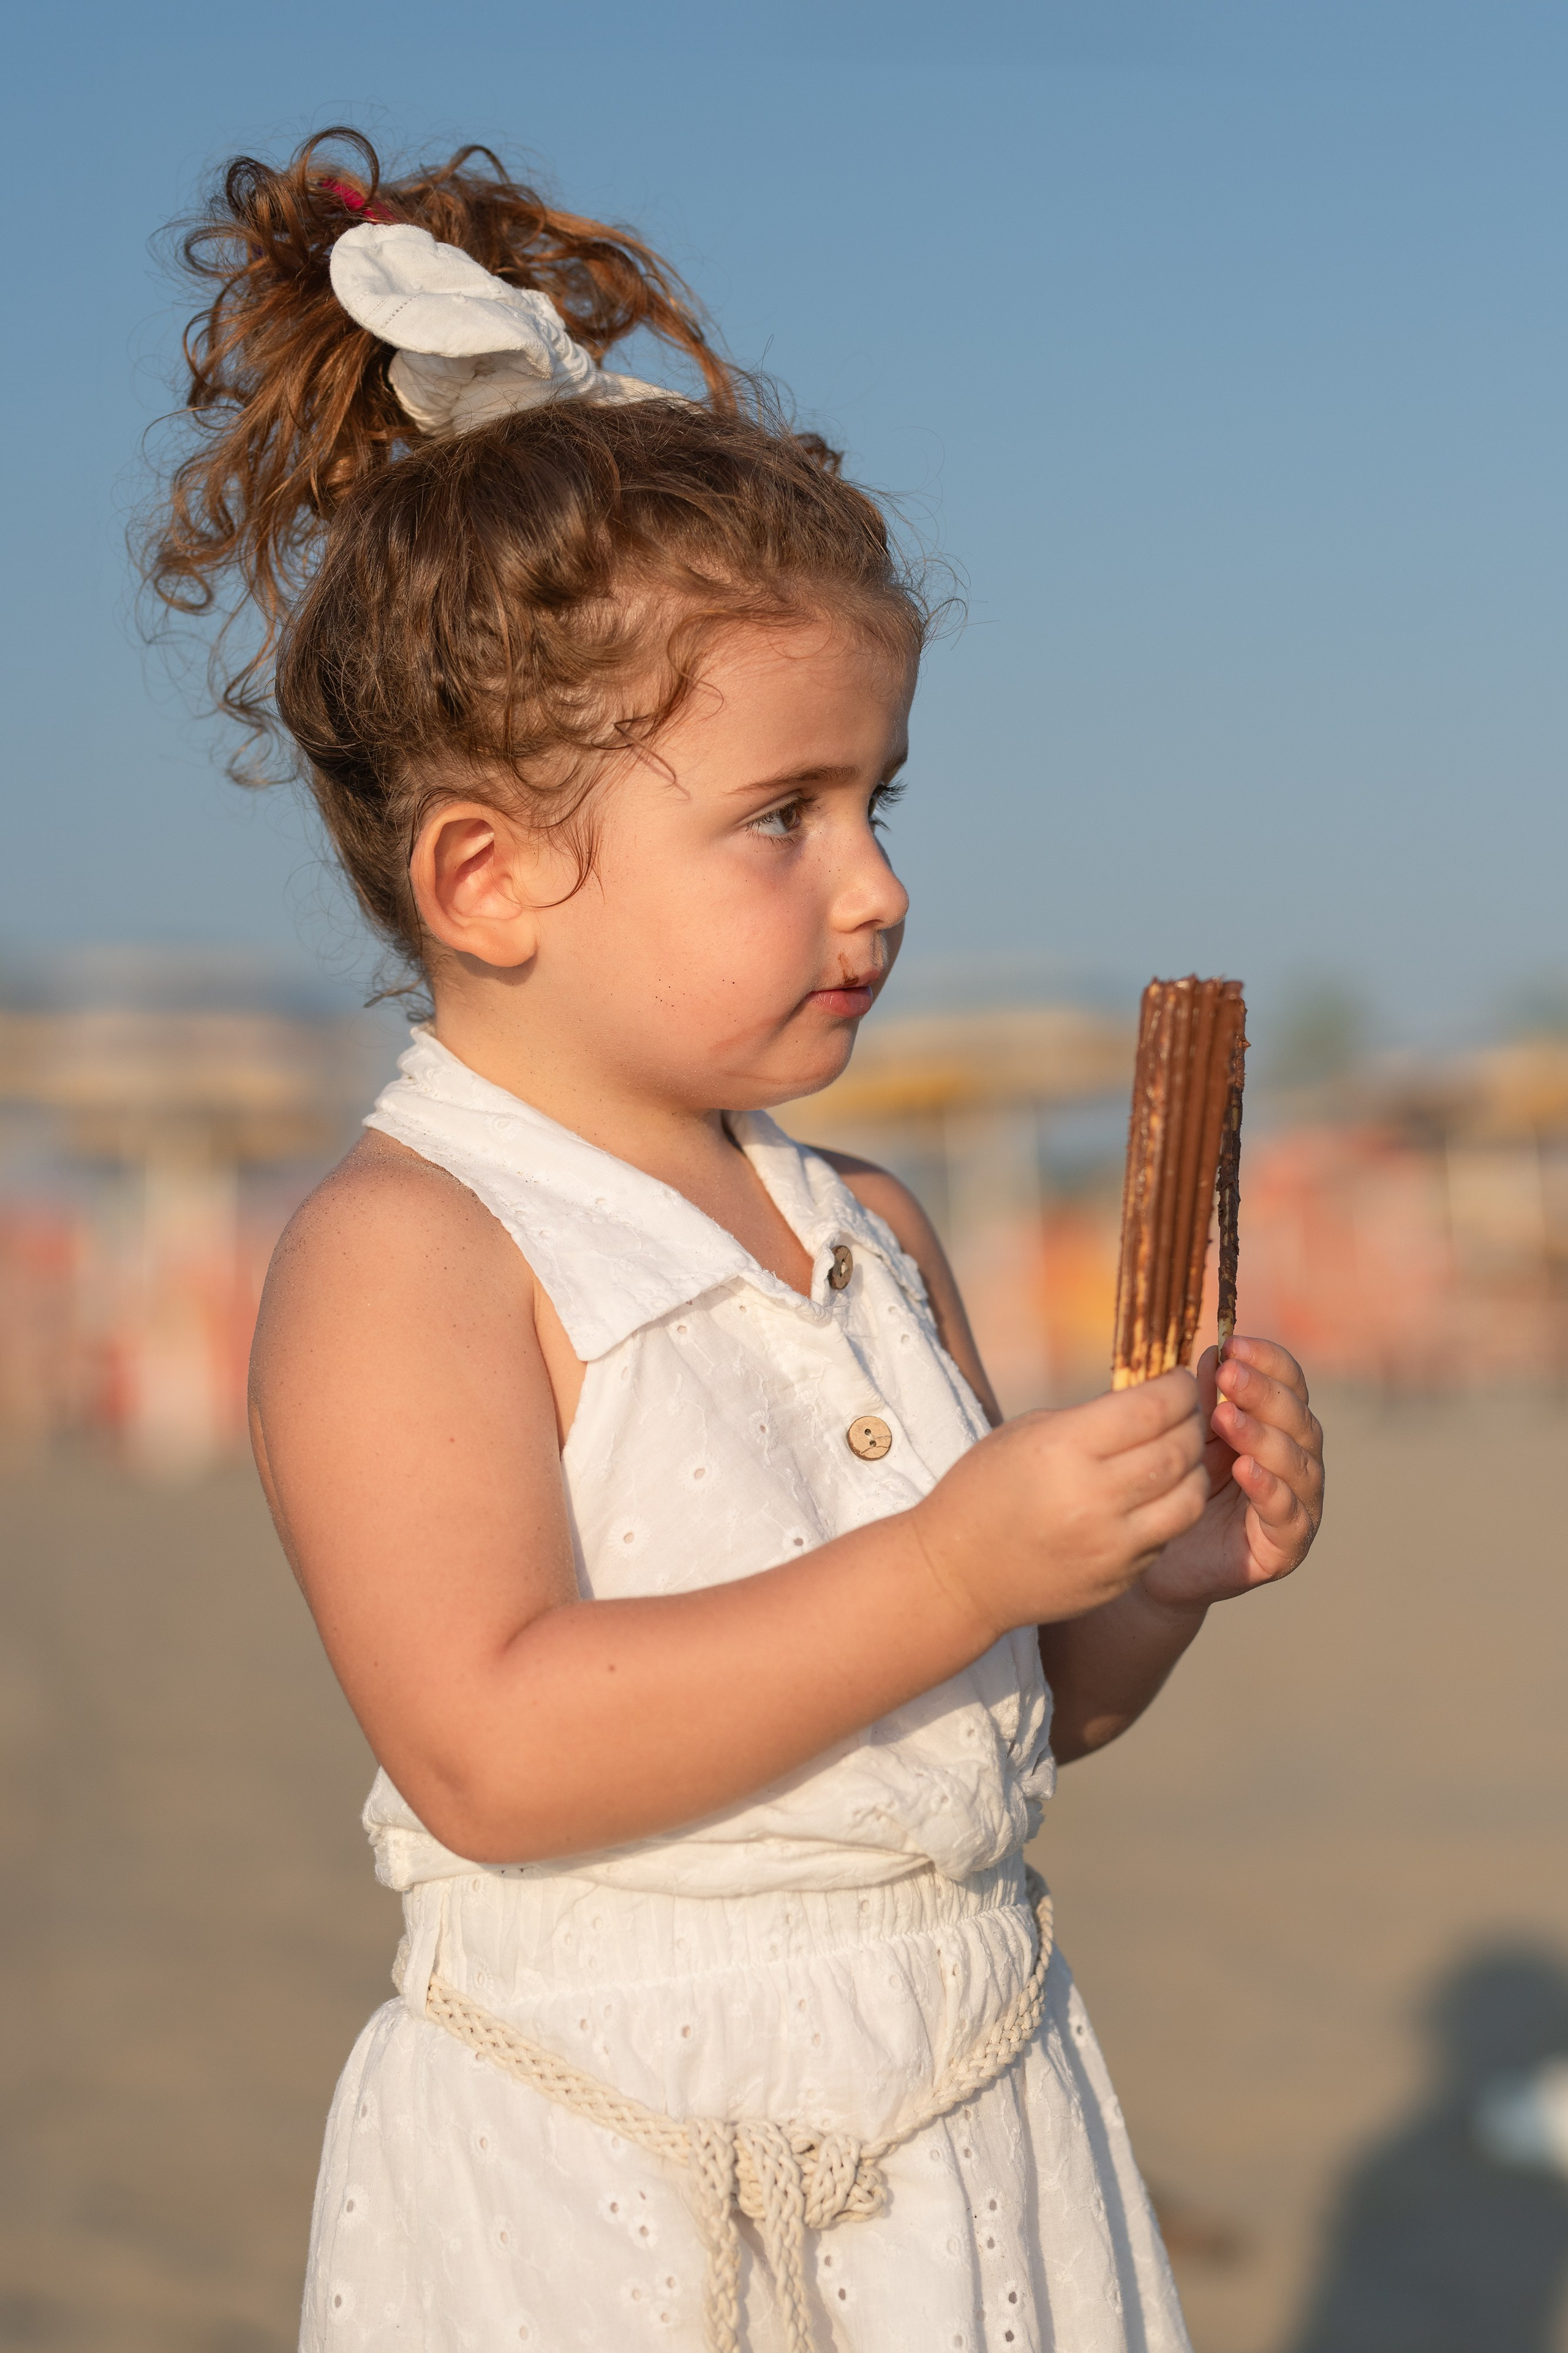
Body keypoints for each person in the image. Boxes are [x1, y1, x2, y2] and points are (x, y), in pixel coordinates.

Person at [146, 129, 1325, 2353]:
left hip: (967, 2105)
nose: (874, 885)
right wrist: (960, 1557)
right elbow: (492, 1740)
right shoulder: (416, 1252)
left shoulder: (864, 1226)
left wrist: (1134, 1591)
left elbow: (979, 1724)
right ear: (490, 881)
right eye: (781, 817)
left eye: (884, 800)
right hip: (620, 2161)